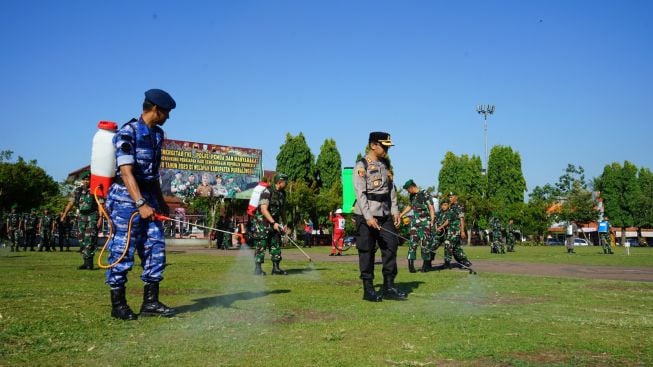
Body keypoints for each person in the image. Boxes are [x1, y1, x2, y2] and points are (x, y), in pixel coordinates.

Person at [103, 88, 177, 320]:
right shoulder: (128, 132)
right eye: (166, 112)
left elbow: (152, 173)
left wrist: (160, 202)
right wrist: (140, 203)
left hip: (149, 197)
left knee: (155, 247)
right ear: (155, 109)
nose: (168, 117)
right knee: (123, 249)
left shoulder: (157, 134)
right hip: (126, 198)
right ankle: (119, 304)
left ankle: (150, 302)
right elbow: (126, 172)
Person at [352, 132, 406, 302]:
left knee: (391, 246)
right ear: (373, 145)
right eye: (384, 146)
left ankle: (389, 286)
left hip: (384, 214)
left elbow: (391, 191)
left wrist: (395, 210)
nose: (387, 149)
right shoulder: (362, 165)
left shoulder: (385, 165)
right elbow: (360, 194)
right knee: (366, 251)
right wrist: (368, 217)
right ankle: (368, 289)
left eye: (388, 146)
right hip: (366, 215)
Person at [250, 173, 289, 275]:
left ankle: (276, 269)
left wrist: (285, 223)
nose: (287, 184)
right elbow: (263, 209)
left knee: (275, 242)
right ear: (279, 182)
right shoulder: (267, 191)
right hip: (263, 222)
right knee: (261, 244)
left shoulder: (283, 194)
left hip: (274, 222)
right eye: (286, 182)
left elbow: (283, 209)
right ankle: (258, 269)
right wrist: (273, 223)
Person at [62, 171, 102, 269]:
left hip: (92, 216)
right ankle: (85, 262)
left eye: (88, 179)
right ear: (82, 180)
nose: (86, 181)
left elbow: (100, 205)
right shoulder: (77, 191)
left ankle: (89, 263)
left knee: (90, 238)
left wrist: (101, 218)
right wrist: (64, 214)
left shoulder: (95, 190)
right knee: (81, 240)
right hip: (81, 217)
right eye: (85, 179)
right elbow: (71, 203)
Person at [400, 179, 435, 273]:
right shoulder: (412, 196)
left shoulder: (425, 193)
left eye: (408, 189)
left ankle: (425, 266)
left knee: (425, 245)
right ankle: (411, 266)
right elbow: (409, 206)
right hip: (415, 223)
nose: (407, 191)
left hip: (425, 223)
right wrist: (400, 215)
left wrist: (432, 221)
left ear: (412, 187)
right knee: (413, 244)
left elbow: (431, 207)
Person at [442, 192, 472, 268]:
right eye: (449, 197)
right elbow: (448, 220)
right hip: (450, 230)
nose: (450, 199)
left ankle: (447, 263)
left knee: (448, 244)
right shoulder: (451, 207)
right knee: (456, 247)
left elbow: (461, 219)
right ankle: (465, 262)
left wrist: (462, 231)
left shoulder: (459, 206)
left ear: (456, 197)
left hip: (456, 230)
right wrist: (441, 227)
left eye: (451, 197)